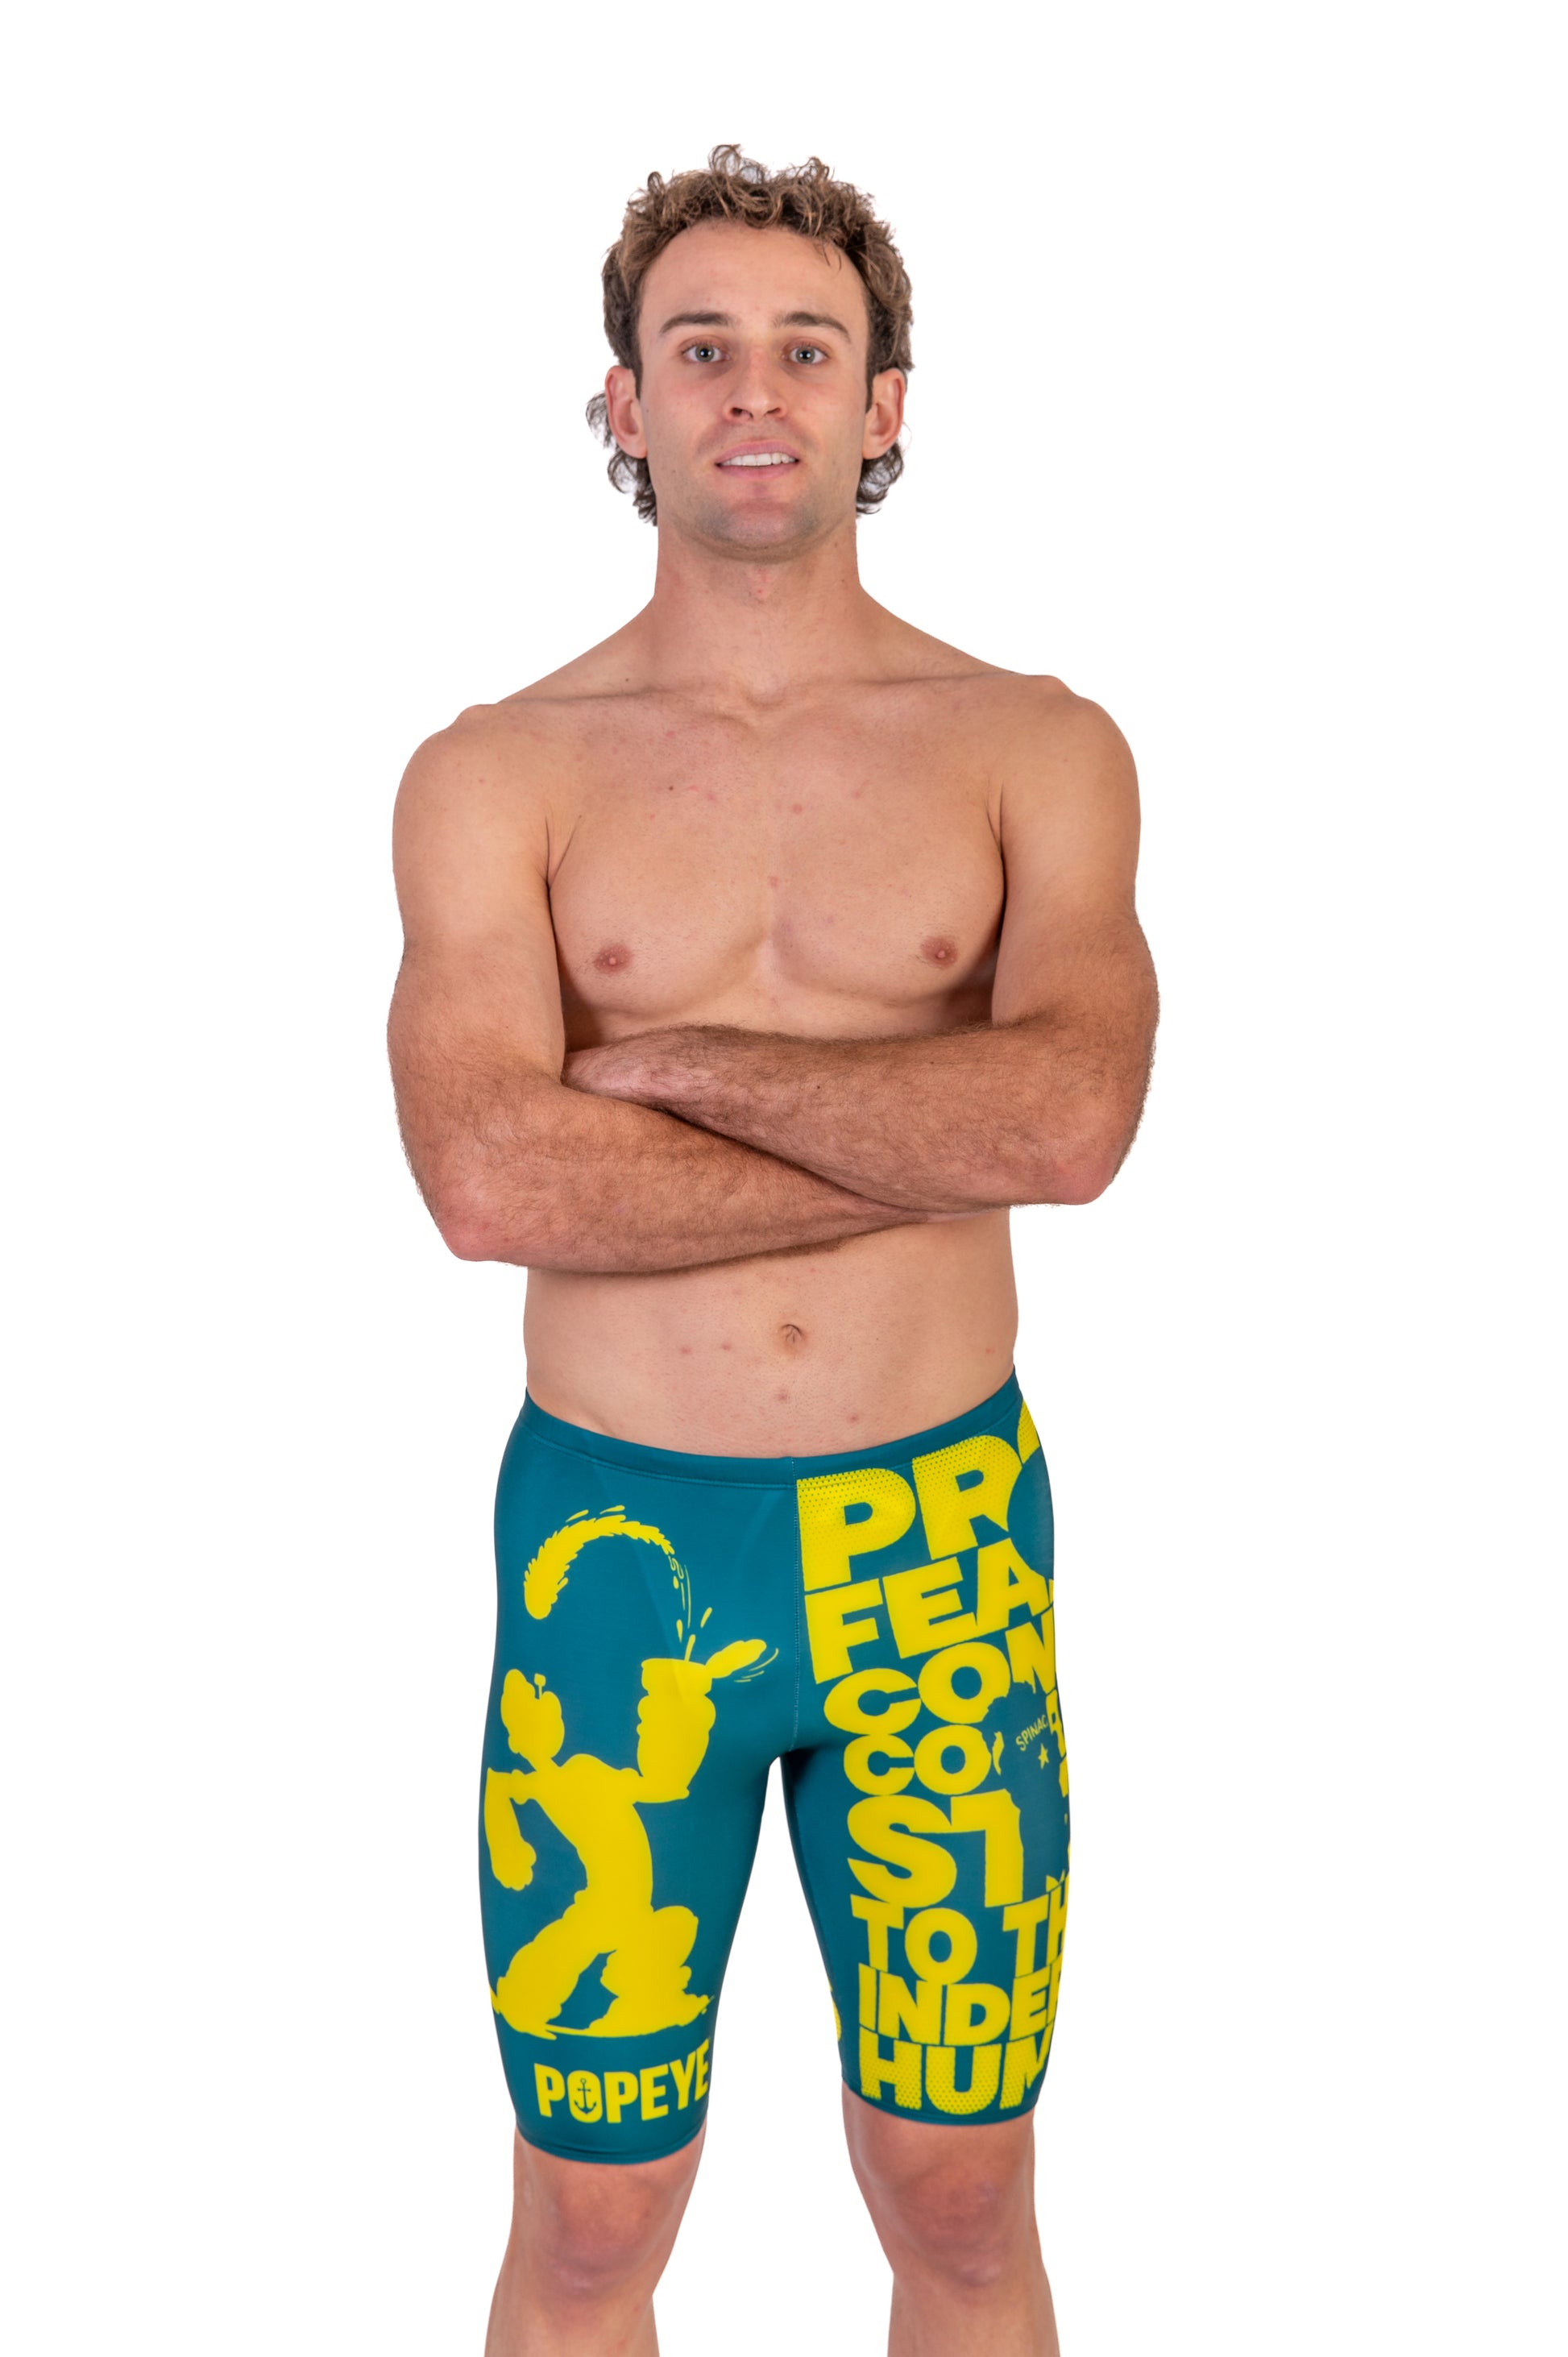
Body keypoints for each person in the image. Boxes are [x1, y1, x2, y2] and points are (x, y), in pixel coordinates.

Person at [389, 143, 1156, 2357]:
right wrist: (944, 1123)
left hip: (940, 1551)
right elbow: (490, 1186)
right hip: (615, 1562)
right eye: (700, 347)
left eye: (806, 350)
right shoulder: (495, 772)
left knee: (960, 2194)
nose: (754, 388)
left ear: (881, 403)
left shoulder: (1034, 746)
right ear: (621, 404)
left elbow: (1075, 1123)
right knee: (593, 2219)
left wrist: (678, 1072)